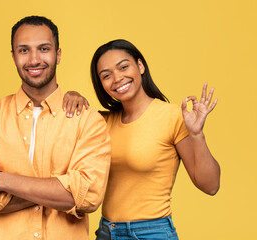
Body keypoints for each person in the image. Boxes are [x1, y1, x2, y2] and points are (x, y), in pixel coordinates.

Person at [0, 16, 111, 240]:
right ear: (13, 56)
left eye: (44, 48)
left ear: (58, 55)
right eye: (24, 50)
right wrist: (61, 188)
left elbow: (88, 197)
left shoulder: (87, 119)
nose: (34, 59)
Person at [63, 39, 221, 240]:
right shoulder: (101, 122)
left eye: (123, 67)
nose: (117, 78)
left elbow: (211, 186)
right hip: (106, 232)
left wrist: (197, 134)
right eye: (106, 75)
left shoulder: (172, 116)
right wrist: (72, 95)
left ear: (140, 66)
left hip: (150, 233)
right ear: (101, 84)